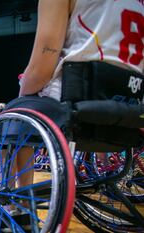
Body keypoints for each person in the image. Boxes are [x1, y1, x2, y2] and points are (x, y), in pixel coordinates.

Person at [13, 0, 144, 213]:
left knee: (15, 115)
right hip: (130, 106)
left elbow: (43, 62)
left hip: (79, 98)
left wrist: (20, 99)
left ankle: (22, 207)